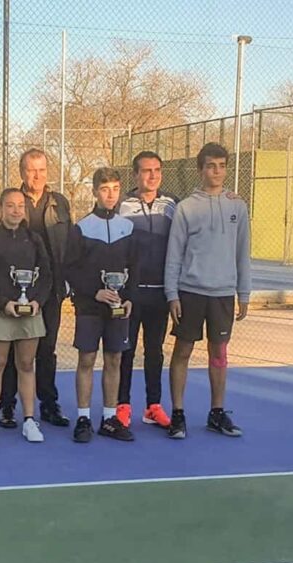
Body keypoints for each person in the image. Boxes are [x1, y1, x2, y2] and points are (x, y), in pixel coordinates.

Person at [164, 143, 251, 439]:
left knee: (219, 353)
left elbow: (243, 253)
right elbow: (174, 254)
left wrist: (245, 293)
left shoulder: (237, 205)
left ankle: (217, 413)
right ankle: (177, 414)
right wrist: (172, 294)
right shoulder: (186, 207)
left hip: (224, 294)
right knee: (183, 351)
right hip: (190, 292)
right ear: (201, 169)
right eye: (211, 166)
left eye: (222, 165)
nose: (217, 171)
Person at [0, 149, 72, 429]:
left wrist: (64, 283)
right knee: (14, 351)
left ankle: (48, 403)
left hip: (49, 290)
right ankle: (8, 406)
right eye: (30, 170)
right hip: (14, 292)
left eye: (41, 170)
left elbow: (68, 244)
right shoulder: (10, 201)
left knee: (46, 350)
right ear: (22, 172)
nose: (36, 176)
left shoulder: (59, 202)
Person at [63, 167, 138, 443]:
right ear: (95, 191)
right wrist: (94, 292)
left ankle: (109, 418)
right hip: (89, 307)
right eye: (105, 189)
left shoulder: (127, 227)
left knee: (114, 359)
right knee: (86, 359)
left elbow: (134, 268)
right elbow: (70, 269)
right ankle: (83, 418)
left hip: (118, 308)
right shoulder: (81, 227)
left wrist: (128, 297)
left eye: (115, 189)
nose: (110, 194)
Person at [0, 188, 50, 443]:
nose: (16, 210)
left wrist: (37, 301)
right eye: (10, 205)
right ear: (1, 209)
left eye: (20, 206)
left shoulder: (35, 239)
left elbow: (47, 275)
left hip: (30, 312)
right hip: (0, 312)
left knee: (27, 365)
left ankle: (29, 420)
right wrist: (3, 303)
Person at [116, 151, 177, 429]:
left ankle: (153, 406)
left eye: (157, 170)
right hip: (130, 294)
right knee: (125, 350)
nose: (152, 176)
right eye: (146, 171)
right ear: (136, 175)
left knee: (155, 351)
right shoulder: (122, 205)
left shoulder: (172, 205)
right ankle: (122, 406)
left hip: (160, 293)